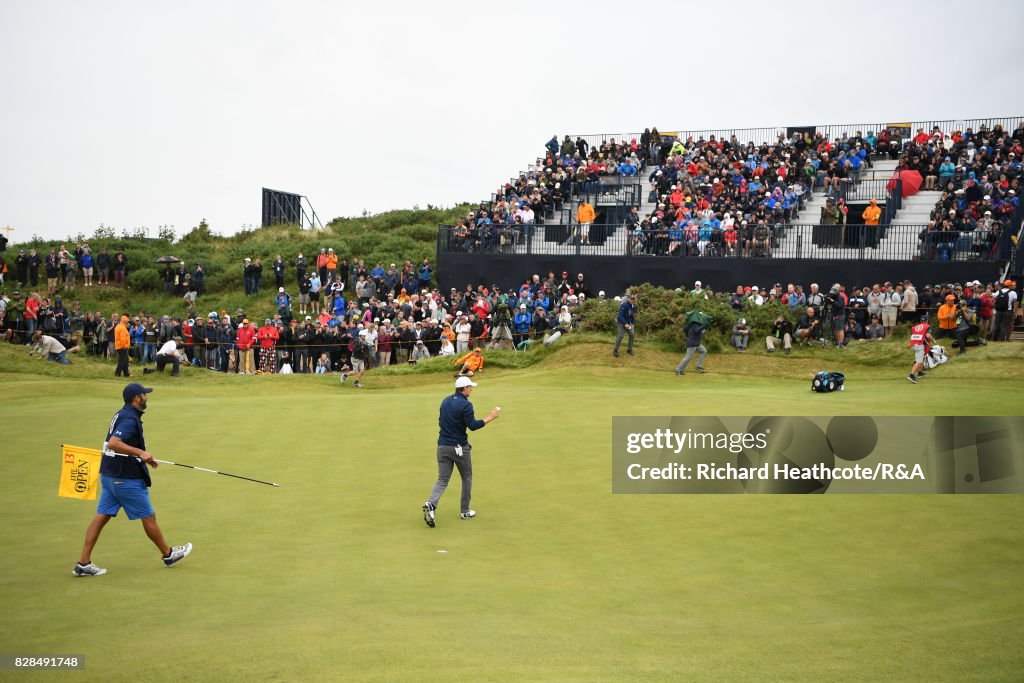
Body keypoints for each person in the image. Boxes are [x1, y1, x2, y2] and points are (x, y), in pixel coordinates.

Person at [73, 383, 192, 576]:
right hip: (125, 479)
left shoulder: (122, 413)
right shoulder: (129, 418)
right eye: (144, 394)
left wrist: (144, 458)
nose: (147, 397)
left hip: (110, 476)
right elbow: (114, 443)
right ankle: (168, 554)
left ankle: (83, 563)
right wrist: (141, 452)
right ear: (137, 398)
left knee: (101, 516)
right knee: (148, 516)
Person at [422, 376, 500, 527]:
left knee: (442, 479)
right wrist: (490, 417)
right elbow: (473, 425)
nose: (472, 389)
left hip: (442, 446)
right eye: (470, 387)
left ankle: (431, 504)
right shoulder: (466, 405)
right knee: (467, 477)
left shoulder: (445, 400)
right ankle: (465, 511)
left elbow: (441, 421)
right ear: (464, 388)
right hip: (459, 448)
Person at [907, 314, 936, 384]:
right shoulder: (927, 326)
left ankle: (920, 372)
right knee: (919, 361)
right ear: (927, 320)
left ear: (920, 321)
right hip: (920, 345)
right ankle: (911, 375)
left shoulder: (915, 327)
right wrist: (934, 341)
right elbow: (928, 335)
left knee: (921, 358)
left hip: (914, 344)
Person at [612, 293, 637, 357]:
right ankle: (615, 350)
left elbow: (632, 316)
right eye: (631, 299)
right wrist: (625, 323)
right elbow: (620, 316)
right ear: (628, 299)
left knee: (632, 335)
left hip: (628, 324)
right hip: (621, 323)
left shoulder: (634, 306)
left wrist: (632, 323)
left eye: (634, 299)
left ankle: (629, 350)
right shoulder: (624, 305)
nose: (633, 300)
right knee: (621, 335)